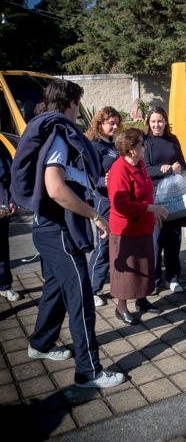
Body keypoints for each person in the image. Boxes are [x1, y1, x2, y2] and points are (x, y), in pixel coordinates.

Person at [10, 79, 125, 388]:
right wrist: (95, 215)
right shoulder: (59, 134)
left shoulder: (45, 128)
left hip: (46, 228)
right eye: (79, 104)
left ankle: (41, 343)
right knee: (82, 299)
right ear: (72, 103)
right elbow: (56, 189)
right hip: (58, 230)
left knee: (58, 289)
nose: (80, 111)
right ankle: (89, 372)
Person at [108, 128, 168, 325]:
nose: (145, 146)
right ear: (131, 149)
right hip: (125, 229)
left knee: (144, 267)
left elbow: (147, 191)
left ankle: (142, 300)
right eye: (141, 143)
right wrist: (149, 208)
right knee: (126, 273)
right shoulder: (119, 169)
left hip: (143, 225)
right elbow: (121, 204)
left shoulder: (140, 163)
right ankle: (121, 307)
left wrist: (153, 213)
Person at [143, 107, 186, 293]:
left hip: (174, 196)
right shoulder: (145, 142)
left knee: (173, 239)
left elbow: (182, 165)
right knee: (155, 240)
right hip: (154, 198)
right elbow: (146, 169)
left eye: (160, 121)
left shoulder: (172, 139)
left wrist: (177, 170)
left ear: (165, 122)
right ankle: (154, 280)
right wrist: (169, 169)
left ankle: (173, 278)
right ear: (148, 123)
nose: (157, 125)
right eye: (153, 121)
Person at [86, 107, 123, 307]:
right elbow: (89, 178)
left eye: (117, 123)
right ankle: (92, 289)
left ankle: (119, 284)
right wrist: (104, 181)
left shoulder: (115, 144)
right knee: (105, 244)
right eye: (111, 123)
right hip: (103, 201)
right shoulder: (94, 146)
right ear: (100, 123)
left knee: (119, 244)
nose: (115, 126)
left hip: (120, 201)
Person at [0, 140, 20, 302]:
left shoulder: (1, 145)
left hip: (0, 204)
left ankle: (4, 285)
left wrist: (13, 198)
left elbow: (11, 173)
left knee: (1, 248)